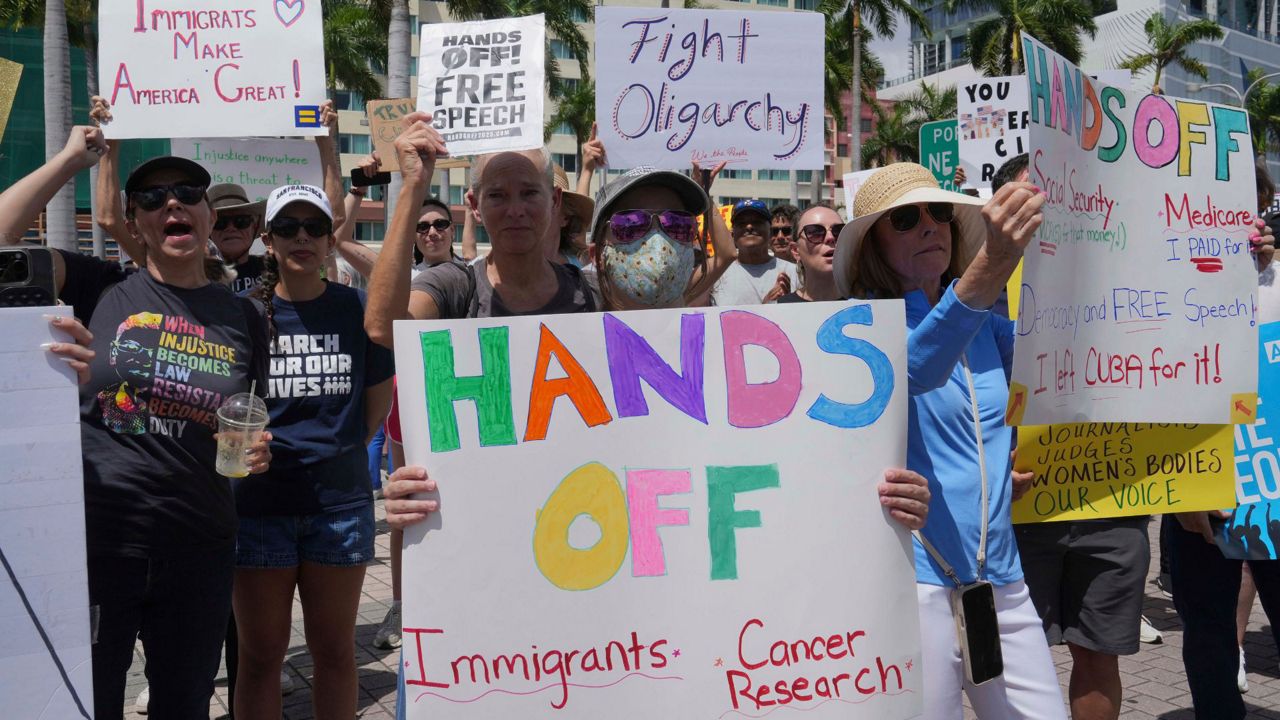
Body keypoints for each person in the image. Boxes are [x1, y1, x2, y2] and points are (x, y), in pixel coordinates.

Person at [1, 126, 272, 717]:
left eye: (187, 193)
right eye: (152, 198)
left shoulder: (245, 317)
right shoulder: (99, 289)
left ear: (207, 215)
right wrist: (70, 160)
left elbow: (249, 417)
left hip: (199, 544)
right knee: (89, 702)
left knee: (184, 706)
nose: (171, 203)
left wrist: (258, 452)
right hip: (99, 543)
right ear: (134, 222)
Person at [834, 162, 1067, 719]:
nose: (929, 225)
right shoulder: (857, 326)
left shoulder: (987, 323)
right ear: (872, 246)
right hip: (914, 580)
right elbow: (916, 368)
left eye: (939, 212)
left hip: (998, 575)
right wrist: (996, 262)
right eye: (905, 218)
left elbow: (1056, 364)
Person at [231, 184, 394, 719]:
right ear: (268, 240)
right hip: (259, 509)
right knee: (260, 658)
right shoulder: (242, 315)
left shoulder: (357, 308)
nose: (301, 237)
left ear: (329, 239)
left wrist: (337, 449)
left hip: (339, 507)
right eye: (287, 227)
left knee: (335, 652)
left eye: (314, 227)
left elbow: (375, 405)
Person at [1169, 156, 1280, 720]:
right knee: (1208, 635)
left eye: (1247, 201)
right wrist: (1183, 490)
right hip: (1202, 494)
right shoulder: (1169, 285)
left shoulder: (1278, 280)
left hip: (1272, 489)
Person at [710, 198, 798, 305]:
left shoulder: (795, 273)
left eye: (757, 222)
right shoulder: (716, 274)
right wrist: (764, 309)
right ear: (733, 233)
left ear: (770, 231)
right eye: (742, 223)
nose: (749, 226)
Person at [778, 202, 841, 303]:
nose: (830, 238)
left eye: (838, 231)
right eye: (815, 232)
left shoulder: (865, 302)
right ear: (795, 250)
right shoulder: (782, 307)